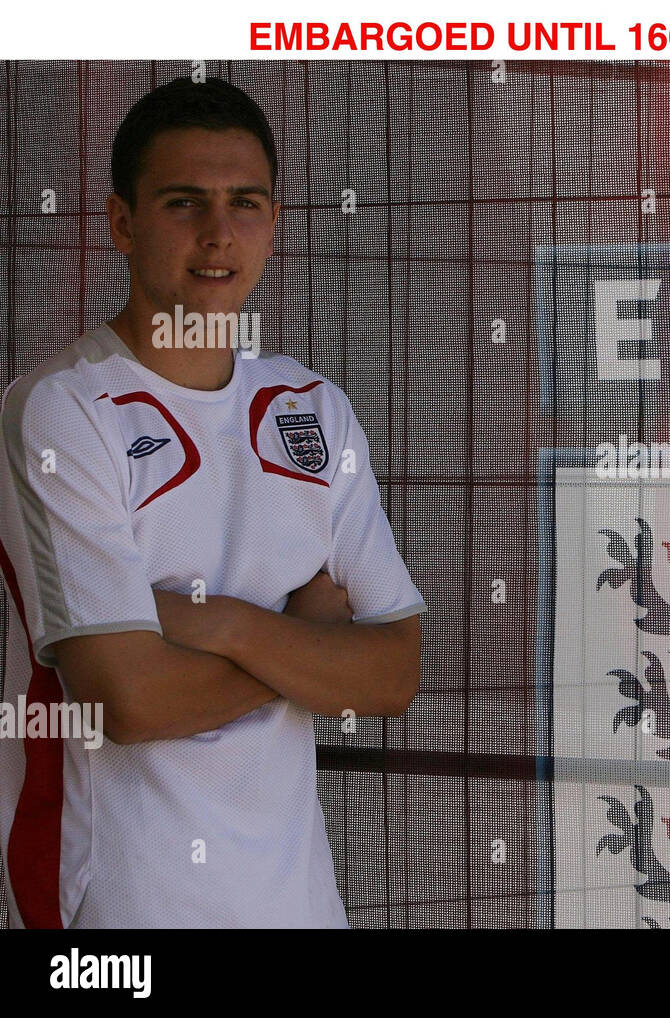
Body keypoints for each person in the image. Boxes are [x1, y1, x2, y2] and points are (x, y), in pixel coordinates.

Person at [0, 76, 426, 928]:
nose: (218, 234)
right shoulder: (59, 409)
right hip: (123, 912)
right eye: (183, 203)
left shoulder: (312, 408)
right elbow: (130, 702)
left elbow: (393, 674)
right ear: (123, 223)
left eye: (246, 203)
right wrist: (309, 638)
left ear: (273, 223)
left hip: (300, 906)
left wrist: (222, 624)